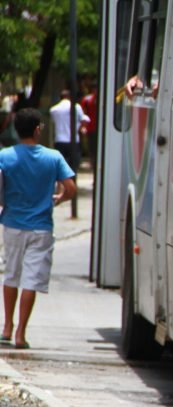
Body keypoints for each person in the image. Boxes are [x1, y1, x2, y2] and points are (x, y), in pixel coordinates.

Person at [0, 108, 77, 349]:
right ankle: (22, 333)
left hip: (12, 224)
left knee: (11, 274)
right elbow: (71, 188)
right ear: (37, 129)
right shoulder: (54, 157)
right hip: (41, 227)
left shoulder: (6, 155)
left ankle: (7, 327)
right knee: (31, 281)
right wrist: (59, 198)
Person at [49, 89, 89, 174]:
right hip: (73, 140)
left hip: (59, 140)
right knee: (73, 166)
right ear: (70, 97)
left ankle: (60, 186)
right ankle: (71, 184)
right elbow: (83, 119)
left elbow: (53, 122)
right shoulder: (76, 107)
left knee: (60, 166)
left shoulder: (53, 110)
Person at [79, 83, 98, 169]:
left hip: (93, 129)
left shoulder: (87, 99)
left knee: (94, 152)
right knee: (93, 152)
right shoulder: (87, 100)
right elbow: (83, 114)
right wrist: (83, 126)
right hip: (91, 129)